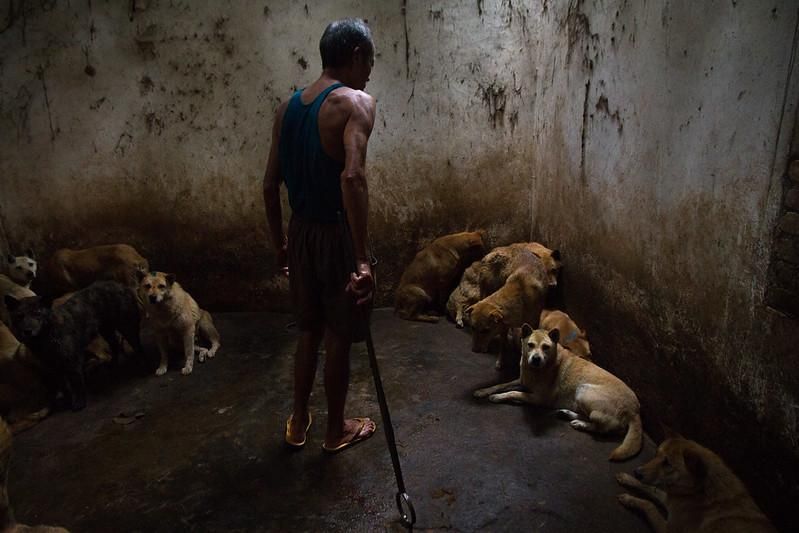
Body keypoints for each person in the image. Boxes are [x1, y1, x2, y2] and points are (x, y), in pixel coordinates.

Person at [263, 18, 377, 452]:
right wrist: (362, 259)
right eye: (370, 61)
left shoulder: (287, 108)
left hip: (301, 232)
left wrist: (280, 245)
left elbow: (269, 185)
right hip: (334, 233)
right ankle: (334, 431)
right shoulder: (355, 103)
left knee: (308, 329)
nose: (370, 72)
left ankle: (297, 421)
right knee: (339, 335)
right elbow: (352, 177)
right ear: (355, 57)